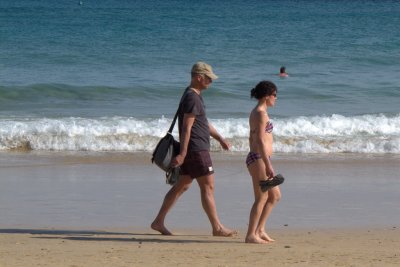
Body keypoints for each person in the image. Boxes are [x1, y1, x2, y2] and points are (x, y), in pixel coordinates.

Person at [151, 62, 236, 237]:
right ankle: (217, 228)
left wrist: (220, 138)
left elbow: (202, 122)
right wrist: (182, 154)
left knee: (182, 185)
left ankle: (158, 222)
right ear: (199, 77)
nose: (211, 82)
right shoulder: (192, 97)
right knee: (208, 187)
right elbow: (186, 128)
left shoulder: (192, 95)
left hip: (194, 149)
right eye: (208, 78)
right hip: (196, 150)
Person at [245, 80, 282, 244]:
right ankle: (250, 235)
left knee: (275, 196)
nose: (276, 98)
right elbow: (259, 139)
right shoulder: (261, 113)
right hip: (260, 159)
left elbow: (251, 137)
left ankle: (260, 230)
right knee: (261, 198)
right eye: (275, 95)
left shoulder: (257, 112)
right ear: (267, 96)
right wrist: (267, 164)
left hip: (258, 158)